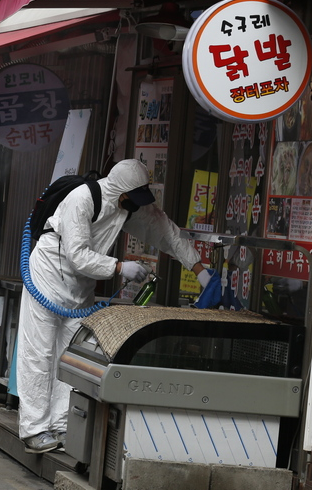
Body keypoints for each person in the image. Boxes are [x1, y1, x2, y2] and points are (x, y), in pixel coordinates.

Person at [16, 158, 216, 453]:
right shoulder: (81, 199)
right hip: (47, 276)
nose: (136, 204)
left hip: (80, 287)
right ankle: (34, 429)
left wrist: (200, 271)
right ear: (121, 191)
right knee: (39, 354)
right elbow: (77, 254)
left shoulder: (127, 205)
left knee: (70, 357)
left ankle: (61, 426)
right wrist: (120, 267)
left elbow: (166, 231)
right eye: (132, 198)